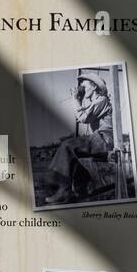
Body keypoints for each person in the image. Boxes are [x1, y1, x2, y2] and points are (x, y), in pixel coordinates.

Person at [44, 70, 115, 206]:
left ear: (94, 86)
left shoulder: (102, 100)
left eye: (84, 85)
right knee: (70, 156)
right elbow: (83, 115)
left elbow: (83, 118)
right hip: (98, 139)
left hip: (103, 140)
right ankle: (84, 184)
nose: (82, 88)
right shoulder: (96, 102)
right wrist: (79, 100)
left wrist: (75, 99)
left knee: (66, 146)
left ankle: (64, 190)